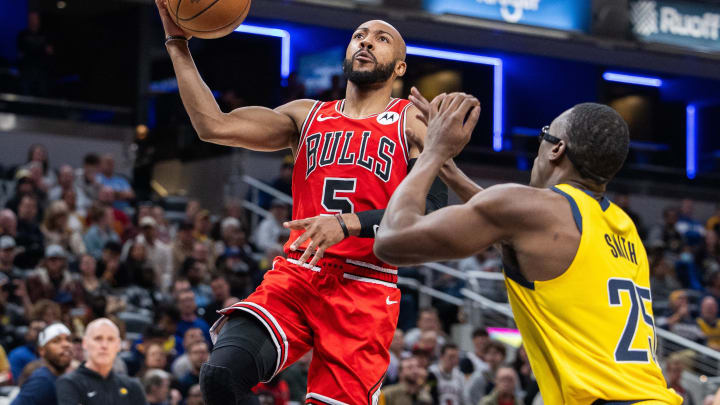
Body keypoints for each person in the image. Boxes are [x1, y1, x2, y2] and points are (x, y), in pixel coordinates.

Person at [157, 2, 453, 403]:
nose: (366, 42)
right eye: (359, 36)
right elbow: (214, 125)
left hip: (365, 286)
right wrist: (177, 43)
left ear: (399, 67)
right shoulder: (306, 116)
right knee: (219, 377)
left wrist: (348, 224)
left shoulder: (412, 121)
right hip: (297, 275)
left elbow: (430, 214)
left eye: (382, 39)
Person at [374, 93, 683, 403]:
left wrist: (432, 152)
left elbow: (392, 240)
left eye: (544, 134)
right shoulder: (623, 227)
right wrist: (447, 168)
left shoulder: (533, 211)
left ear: (557, 148)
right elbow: (510, 226)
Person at [56, 318, 146, 405]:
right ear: (85, 343)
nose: (104, 345)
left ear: (118, 345)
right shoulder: (69, 383)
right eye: (98, 338)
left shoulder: (133, 386)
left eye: (110, 339)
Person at [11, 323, 72, 405]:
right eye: (56, 341)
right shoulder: (42, 381)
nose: (66, 344)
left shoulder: (64, 376)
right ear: (42, 350)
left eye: (68, 340)